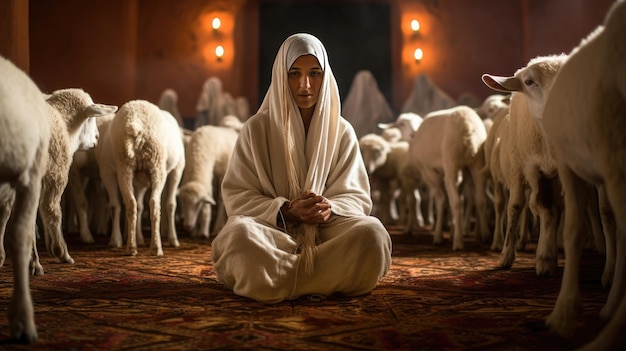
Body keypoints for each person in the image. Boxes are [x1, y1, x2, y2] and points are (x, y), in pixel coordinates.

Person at [211, 33, 392, 303]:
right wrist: (286, 210)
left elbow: (357, 196)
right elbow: (238, 196)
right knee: (239, 236)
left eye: (314, 74)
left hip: (327, 234)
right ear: (280, 76)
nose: (304, 85)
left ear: (325, 76)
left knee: (373, 234)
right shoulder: (256, 129)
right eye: (294, 73)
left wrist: (328, 208)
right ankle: (329, 279)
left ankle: (276, 281)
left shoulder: (342, 132)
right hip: (273, 234)